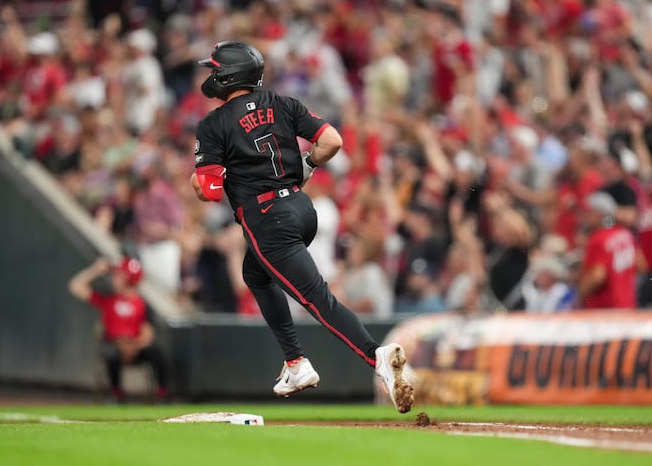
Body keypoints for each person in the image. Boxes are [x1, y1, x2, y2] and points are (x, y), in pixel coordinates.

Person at [189, 40, 414, 413]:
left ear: (228, 76)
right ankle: (295, 363)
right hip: (302, 209)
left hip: (267, 220)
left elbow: (209, 192)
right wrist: (306, 166)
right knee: (256, 276)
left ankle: (377, 356)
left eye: (215, 69)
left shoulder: (214, 123)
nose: (211, 76)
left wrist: (200, 181)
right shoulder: (282, 102)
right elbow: (331, 141)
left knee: (316, 299)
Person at [68, 256, 169, 403]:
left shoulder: (141, 304)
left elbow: (148, 333)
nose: (114, 278)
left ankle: (161, 394)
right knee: (111, 354)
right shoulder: (108, 299)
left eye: (118, 275)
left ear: (129, 278)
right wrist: (95, 271)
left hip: (135, 347)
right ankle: (117, 394)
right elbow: (75, 286)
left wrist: (133, 346)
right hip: (115, 346)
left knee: (156, 352)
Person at [577, 192, 641, 309]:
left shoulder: (598, 238)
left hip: (605, 308)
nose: (586, 216)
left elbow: (597, 276)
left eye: (589, 211)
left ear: (599, 214)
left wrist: (580, 294)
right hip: (628, 305)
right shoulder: (626, 234)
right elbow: (641, 265)